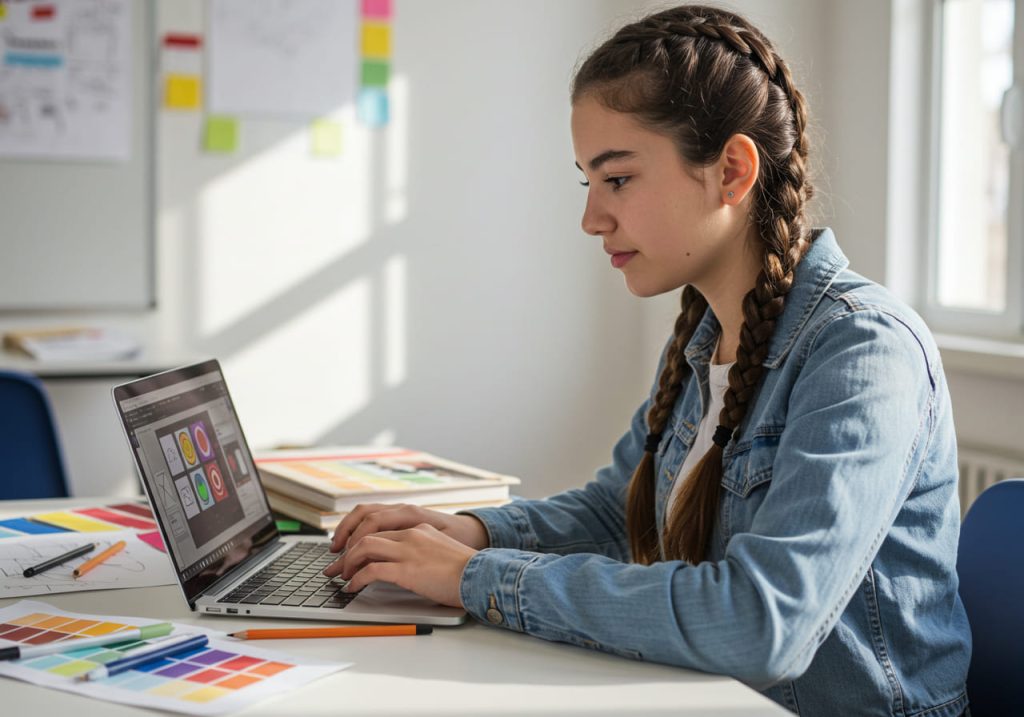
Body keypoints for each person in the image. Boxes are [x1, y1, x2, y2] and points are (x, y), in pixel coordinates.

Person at [324, 5, 971, 715]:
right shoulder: (708, 337)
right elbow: (619, 511)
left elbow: (762, 622)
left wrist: (477, 577)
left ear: (731, 171)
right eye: (588, 183)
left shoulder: (864, 350)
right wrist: (471, 533)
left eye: (619, 179)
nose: (591, 219)